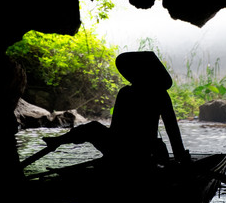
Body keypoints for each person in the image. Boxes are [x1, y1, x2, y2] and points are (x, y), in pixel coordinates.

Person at [43, 51, 190, 168]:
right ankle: (59, 141)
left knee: (93, 128)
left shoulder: (131, 93)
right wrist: (181, 157)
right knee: (94, 127)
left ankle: (59, 141)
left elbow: (116, 128)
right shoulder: (157, 94)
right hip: (138, 150)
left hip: (137, 150)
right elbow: (172, 129)